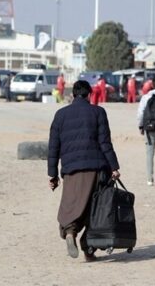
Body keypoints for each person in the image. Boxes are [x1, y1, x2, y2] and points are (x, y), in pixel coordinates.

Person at [47, 80, 120, 262]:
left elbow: (53, 147)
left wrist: (53, 175)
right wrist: (114, 167)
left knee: (72, 204)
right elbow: (105, 143)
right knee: (94, 210)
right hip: (95, 168)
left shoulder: (60, 115)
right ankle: (88, 249)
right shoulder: (98, 112)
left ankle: (70, 232)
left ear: (73, 95)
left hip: (71, 169)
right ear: (89, 95)